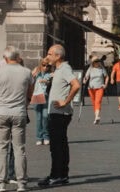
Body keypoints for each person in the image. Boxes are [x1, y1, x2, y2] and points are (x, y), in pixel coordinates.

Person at [0, 47, 34, 192]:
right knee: (20, 149)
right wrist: (26, 102)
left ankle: (0, 184)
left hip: (2, 112)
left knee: (1, 149)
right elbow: (30, 91)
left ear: (5, 58)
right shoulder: (27, 72)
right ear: (18, 57)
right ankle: (21, 184)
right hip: (19, 113)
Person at [39, 43, 80, 187]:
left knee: (57, 146)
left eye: (50, 54)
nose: (47, 56)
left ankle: (57, 175)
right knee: (59, 144)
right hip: (57, 112)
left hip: (60, 112)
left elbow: (76, 85)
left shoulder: (64, 69)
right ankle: (60, 174)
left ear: (58, 56)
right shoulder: (58, 69)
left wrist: (66, 101)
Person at [31, 58, 52, 145]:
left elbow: (48, 82)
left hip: (45, 97)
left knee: (45, 116)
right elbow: (29, 79)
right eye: (44, 65)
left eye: (47, 66)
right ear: (41, 65)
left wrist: (46, 81)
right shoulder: (37, 72)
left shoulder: (49, 74)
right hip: (37, 96)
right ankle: (39, 137)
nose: (45, 67)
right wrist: (33, 74)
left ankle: (46, 136)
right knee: (39, 118)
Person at [82, 54, 107, 125]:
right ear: (93, 63)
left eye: (98, 61)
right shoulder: (90, 69)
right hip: (91, 88)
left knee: (98, 101)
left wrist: (105, 84)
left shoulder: (102, 68)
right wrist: (84, 80)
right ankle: (96, 116)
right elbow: (86, 77)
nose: (97, 63)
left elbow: (106, 76)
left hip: (100, 87)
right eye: (95, 61)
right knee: (94, 103)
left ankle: (97, 117)